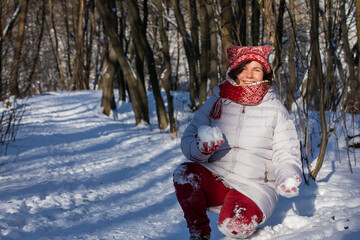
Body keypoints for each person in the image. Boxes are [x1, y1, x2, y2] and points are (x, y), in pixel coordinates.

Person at [173, 46, 302, 240]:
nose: (249, 75)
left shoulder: (275, 109)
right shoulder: (217, 102)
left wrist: (288, 176)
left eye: (256, 69)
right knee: (185, 174)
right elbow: (189, 140)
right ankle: (199, 234)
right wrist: (201, 148)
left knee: (234, 227)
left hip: (254, 186)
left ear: (265, 73)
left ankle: (240, 213)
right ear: (234, 71)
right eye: (243, 68)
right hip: (218, 176)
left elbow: (287, 150)